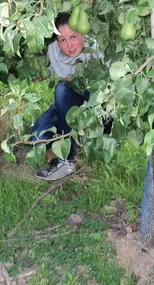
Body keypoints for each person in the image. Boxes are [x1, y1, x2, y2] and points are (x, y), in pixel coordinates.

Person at [30, 11, 103, 181]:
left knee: (62, 88)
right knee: (37, 138)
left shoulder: (95, 47)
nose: (69, 45)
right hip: (67, 106)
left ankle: (67, 160)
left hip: (92, 103)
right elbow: (50, 68)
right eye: (62, 40)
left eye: (73, 37)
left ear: (82, 33)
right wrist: (41, 73)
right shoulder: (53, 51)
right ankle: (68, 139)